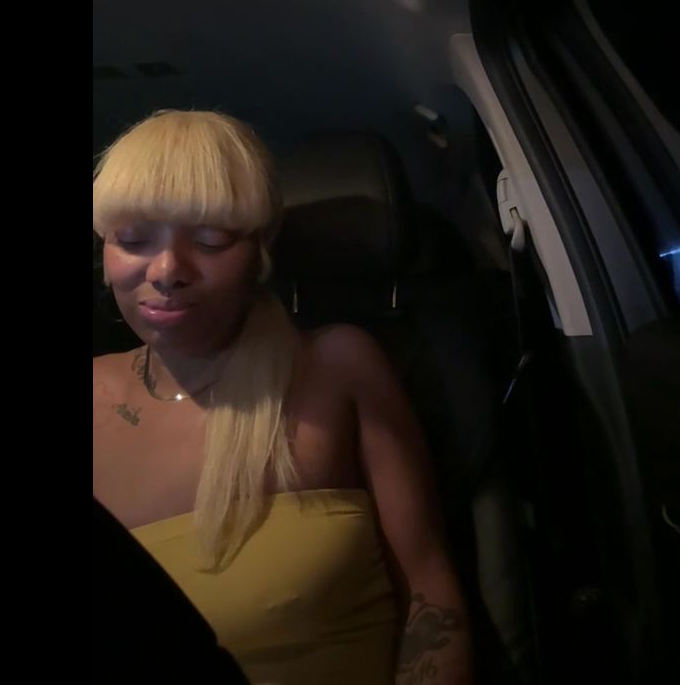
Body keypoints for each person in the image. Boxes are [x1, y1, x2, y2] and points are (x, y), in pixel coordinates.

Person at [92, 109, 472, 685]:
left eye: (210, 240)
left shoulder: (337, 367)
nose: (167, 270)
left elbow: (430, 593)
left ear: (262, 247)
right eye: (133, 239)